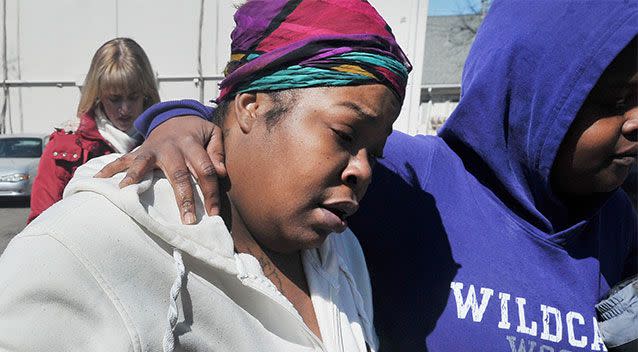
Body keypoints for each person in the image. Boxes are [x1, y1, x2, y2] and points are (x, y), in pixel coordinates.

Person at [103, 1, 638, 350]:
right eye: (613, 100)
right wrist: (176, 121)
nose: (635, 123)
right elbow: (267, 119)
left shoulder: (620, 226)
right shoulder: (414, 181)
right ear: (531, 88)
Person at [0, 1, 409, 351]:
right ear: (251, 105)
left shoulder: (346, 256)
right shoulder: (86, 247)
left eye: (374, 152)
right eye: (344, 134)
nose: (363, 170)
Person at [26, 37, 160, 223]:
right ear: (98, 94)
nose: (125, 109)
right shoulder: (64, 147)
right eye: (115, 98)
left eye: (133, 97)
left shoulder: (164, 141)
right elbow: (40, 223)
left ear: (146, 93)